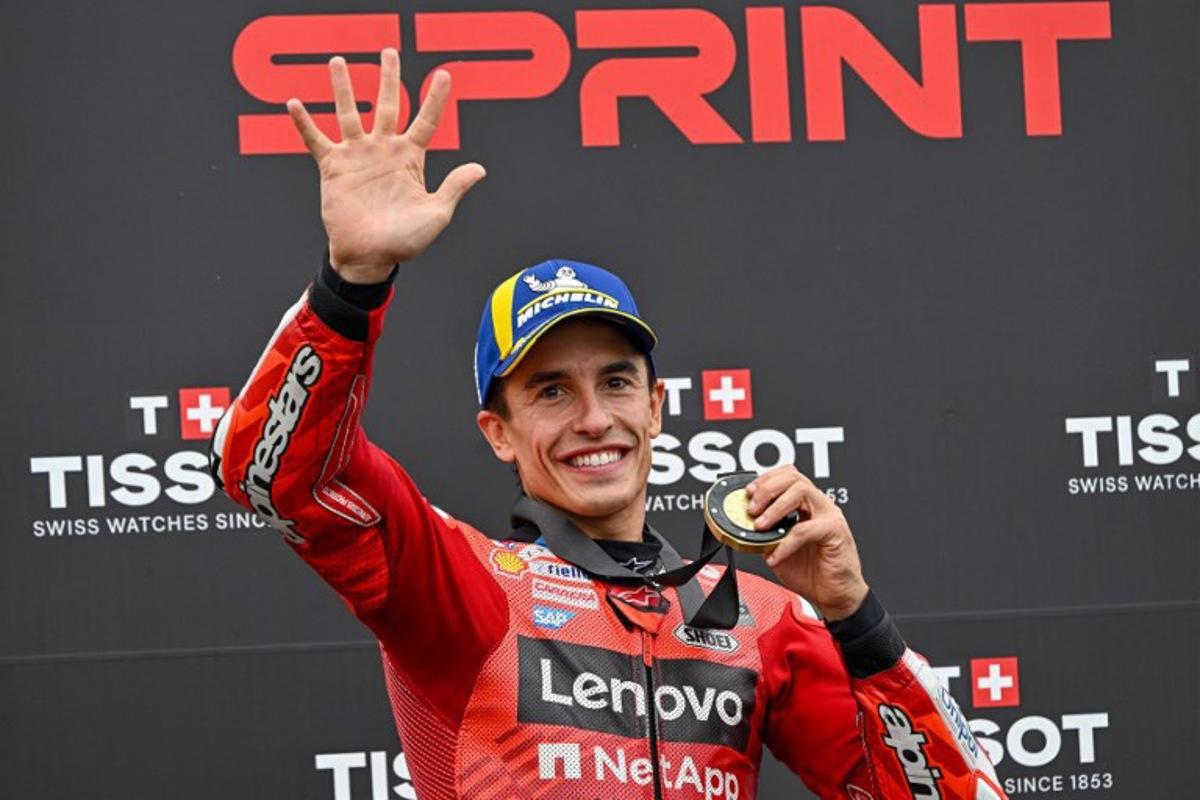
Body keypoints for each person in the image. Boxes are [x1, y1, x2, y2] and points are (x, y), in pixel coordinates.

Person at [210, 49, 1007, 800]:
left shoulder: (756, 621)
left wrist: (855, 616)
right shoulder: (462, 587)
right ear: (498, 431)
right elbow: (273, 473)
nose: (594, 418)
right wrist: (352, 282)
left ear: (656, 407)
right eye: (551, 391)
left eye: (617, 381)